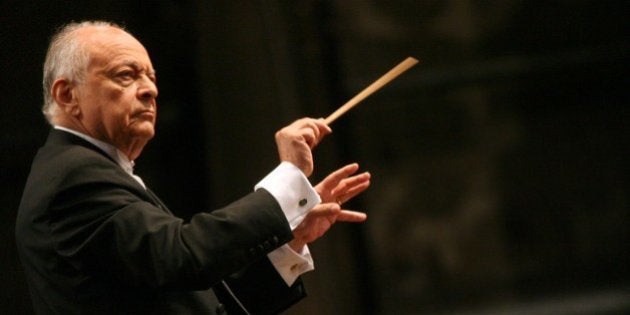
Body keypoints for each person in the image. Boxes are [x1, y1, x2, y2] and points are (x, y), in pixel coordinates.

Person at [16, 21, 371, 314]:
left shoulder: (91, 171)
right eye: (127, 75)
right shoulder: (72, 177)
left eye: (151, 78)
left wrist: (290, 239)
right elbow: (185, 256)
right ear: (67, 95)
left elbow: (204, 302)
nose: (149, 90)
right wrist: (289, 181)